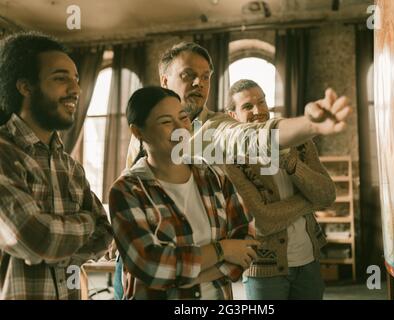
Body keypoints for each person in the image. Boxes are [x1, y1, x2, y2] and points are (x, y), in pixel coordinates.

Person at [109, 86, 259, 300]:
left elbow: (246, 242)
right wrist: (223, 249)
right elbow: (151, 266)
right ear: (138, 131)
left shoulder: (213, 176)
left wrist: (182, 276)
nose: (181, 129)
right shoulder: (127, 190)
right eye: (166, 122)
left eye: (183, 118)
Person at [0, 32, 113, 300]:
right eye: (61, 78)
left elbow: (105, 234)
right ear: (25, 87)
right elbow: (34, 238)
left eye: (76, 79)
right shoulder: (4, 153)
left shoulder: (71, 167)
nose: (76, 89)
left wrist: (54, 243)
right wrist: (86, 221)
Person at [126, 41, 351, 168]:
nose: (200, 83)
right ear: (164, 80)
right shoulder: (142, 132)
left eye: (206, 76)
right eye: (188, 75)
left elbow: (254, 137)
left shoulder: (215, 129)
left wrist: (311, 126)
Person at [224, 79, 336, 299]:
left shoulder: (298, 141)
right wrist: (309, 201)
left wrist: (293, 164)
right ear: (232, 115)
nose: (259, 111)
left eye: (262, 101)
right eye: (247, 106)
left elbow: (327, 195)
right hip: (263, 271)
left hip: (309, 262)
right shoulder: (231, 157)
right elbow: (263, 222)